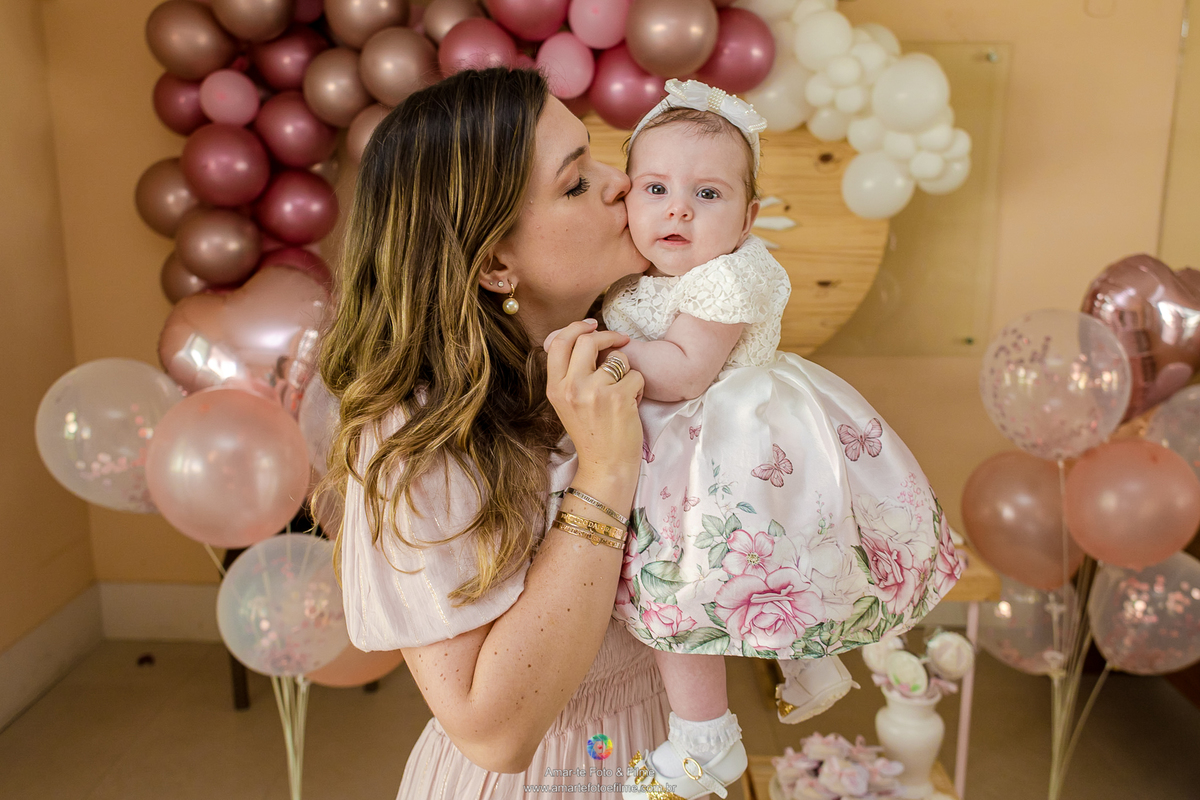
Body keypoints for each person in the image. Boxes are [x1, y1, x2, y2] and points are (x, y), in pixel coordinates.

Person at [586, 79, 965, 798]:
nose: (677, 209)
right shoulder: (647, 271)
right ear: (626, 198)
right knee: (772, 573)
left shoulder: (728, 277)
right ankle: (808, 665)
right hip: (709, 444)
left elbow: (686, 369)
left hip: (731, 444)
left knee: (688, 588)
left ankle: (707, 737)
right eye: (656, 188)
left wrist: (596, 348)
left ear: (749, 217)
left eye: (708, 195)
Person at [314, 68, 669, 799]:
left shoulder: (644, 347)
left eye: (597, 155)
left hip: (657, 754)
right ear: (495, 264)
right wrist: (604, 476)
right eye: (576, 183)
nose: (622, 184)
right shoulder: (411, 437)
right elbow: (494, 733)